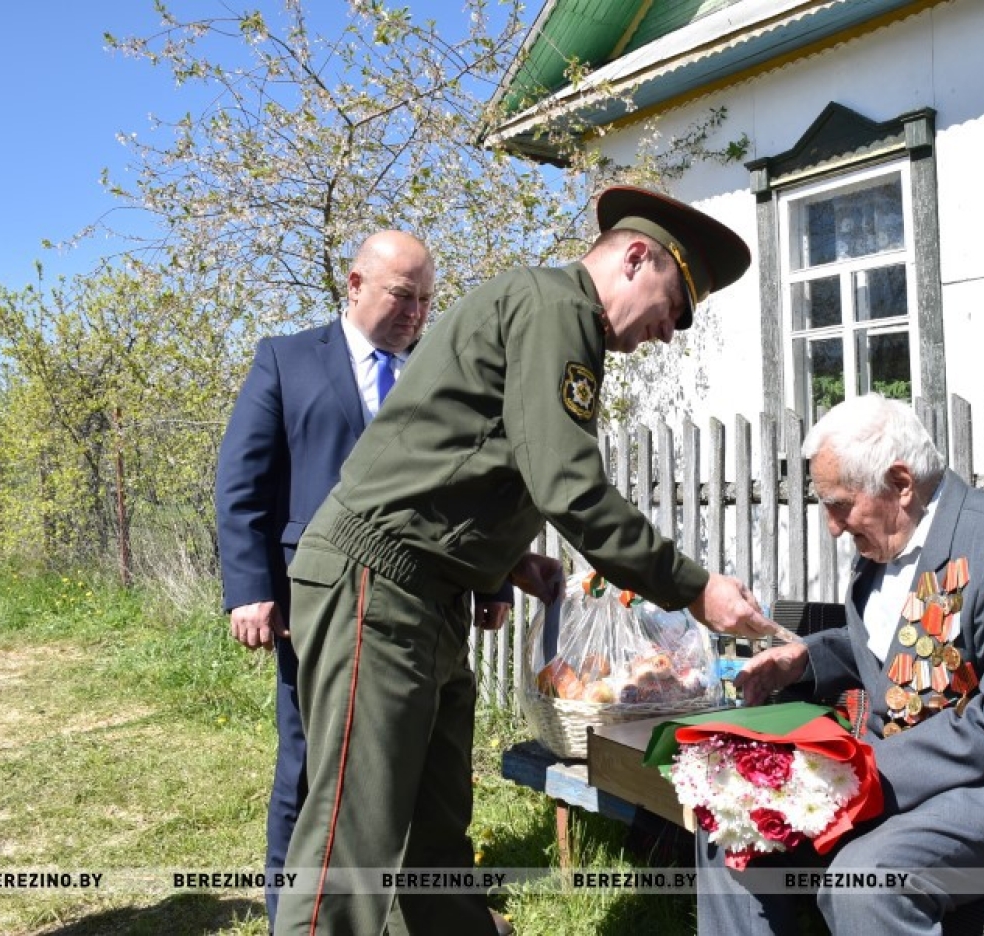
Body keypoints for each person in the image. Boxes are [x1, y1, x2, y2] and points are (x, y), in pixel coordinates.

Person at [275, 186, 781, 936]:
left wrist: (512, 561)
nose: (668, 334)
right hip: (377, 588)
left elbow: (463, 453)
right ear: (636, 257)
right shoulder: (556, 309)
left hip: (429, 597)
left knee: (436, 832)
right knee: (357, 837)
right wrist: (696, 588)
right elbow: (569, 486)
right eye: (673, 308)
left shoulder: (551, 314)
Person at [698, 393, 984, 935]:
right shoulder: (881, 547)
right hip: (901, 774)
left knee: (865, 882)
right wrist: (802, 660)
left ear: (902, 484)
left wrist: (871, 772)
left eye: (839, 503)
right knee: (732, 813)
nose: (833, 526)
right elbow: (896, 647)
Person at [214, 230, 513, 933]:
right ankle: (294, 911)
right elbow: (242, 484)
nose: (417, 313)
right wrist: (250, 588)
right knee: (311, 762)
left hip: (419, 603)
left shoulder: (438, 374)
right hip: (312, 603)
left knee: (410, 771)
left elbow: (473, 490)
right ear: (354, 285)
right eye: (403, 296)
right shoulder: (286, 360)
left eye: (428, 300)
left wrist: (494, 580)